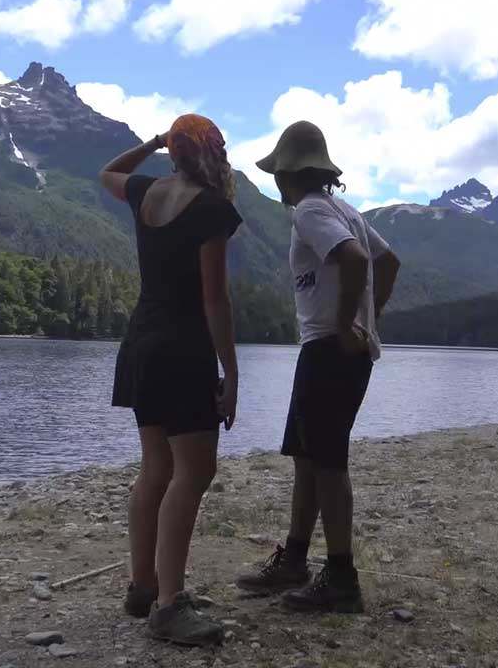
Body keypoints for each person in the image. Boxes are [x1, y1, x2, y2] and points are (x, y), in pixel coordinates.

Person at [236, 120, 400, 613]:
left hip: (328, 350)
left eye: (277, 174)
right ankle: (295, 562)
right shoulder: (342, 208)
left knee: (327, 463)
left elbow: (355, 260)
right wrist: (370, 322)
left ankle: (342, 578)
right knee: (309, 459)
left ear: (288, 174)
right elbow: (387, 262)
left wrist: (350, 323)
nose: (276, 184)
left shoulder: (309, 210)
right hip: (333, 350)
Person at [99, 114, 241, 646]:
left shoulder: (146, 192)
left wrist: (153, 143)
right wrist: (231, 369)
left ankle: (144, 586)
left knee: (157, 466)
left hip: (142, 345)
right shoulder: (211, 208)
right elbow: (214, 299)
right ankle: (168, 606)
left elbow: (107, 171)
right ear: (212, 152)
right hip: (183, 351)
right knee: (194, 471)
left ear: (174, 151)